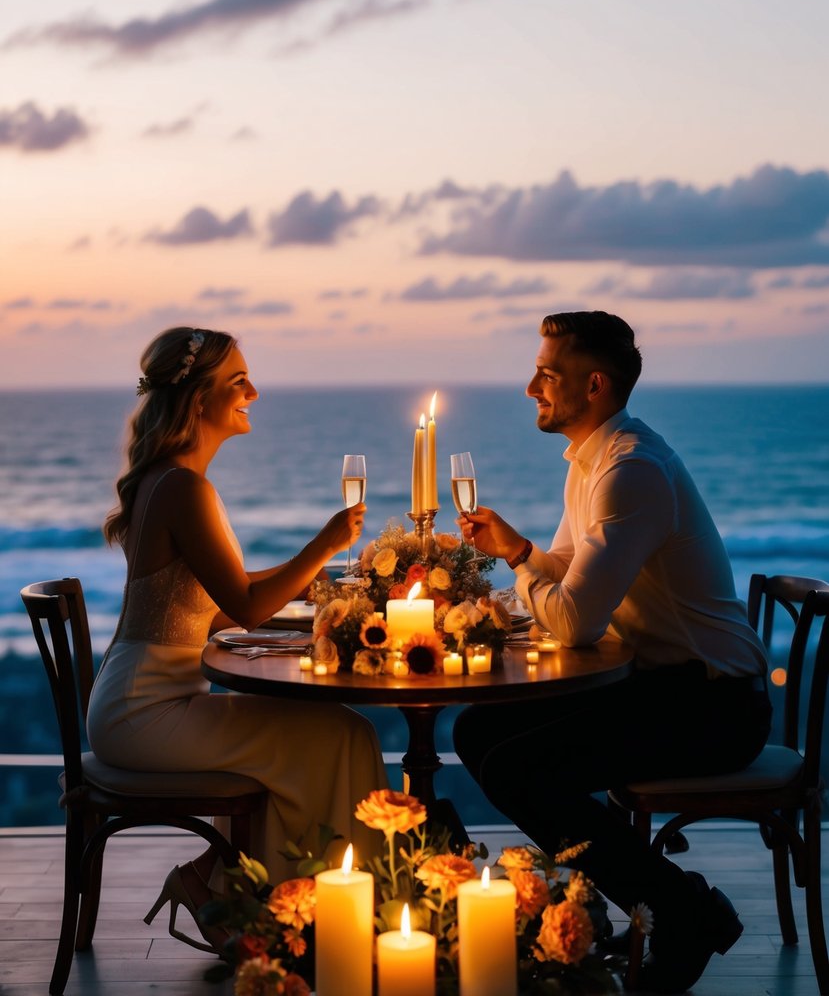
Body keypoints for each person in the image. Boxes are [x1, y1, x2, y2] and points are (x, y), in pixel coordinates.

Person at [453, 311, 771, 994]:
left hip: (715, 704)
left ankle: (679, 910)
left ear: (592, 384)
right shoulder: (593, 460)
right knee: (475, 728)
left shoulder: (632, 471)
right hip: (661, 683)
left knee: (519, 770)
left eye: (545, 373)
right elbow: (566, 576)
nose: (529, 387)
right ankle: (660, 897)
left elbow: (571, 622)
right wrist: (520, 562)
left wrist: (514, 555)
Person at [87, 327, 386, 953]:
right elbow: (244, 607)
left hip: (147, 696)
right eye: (237, 381)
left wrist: (316, 591)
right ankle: (318, 920)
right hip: (147, 710)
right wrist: (326, 544)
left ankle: (235, 893)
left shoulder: (175, 482)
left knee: (323, 733)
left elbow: (220, 609)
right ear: (199, 401)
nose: (254, 390)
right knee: (344, 734)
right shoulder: (183, 489)